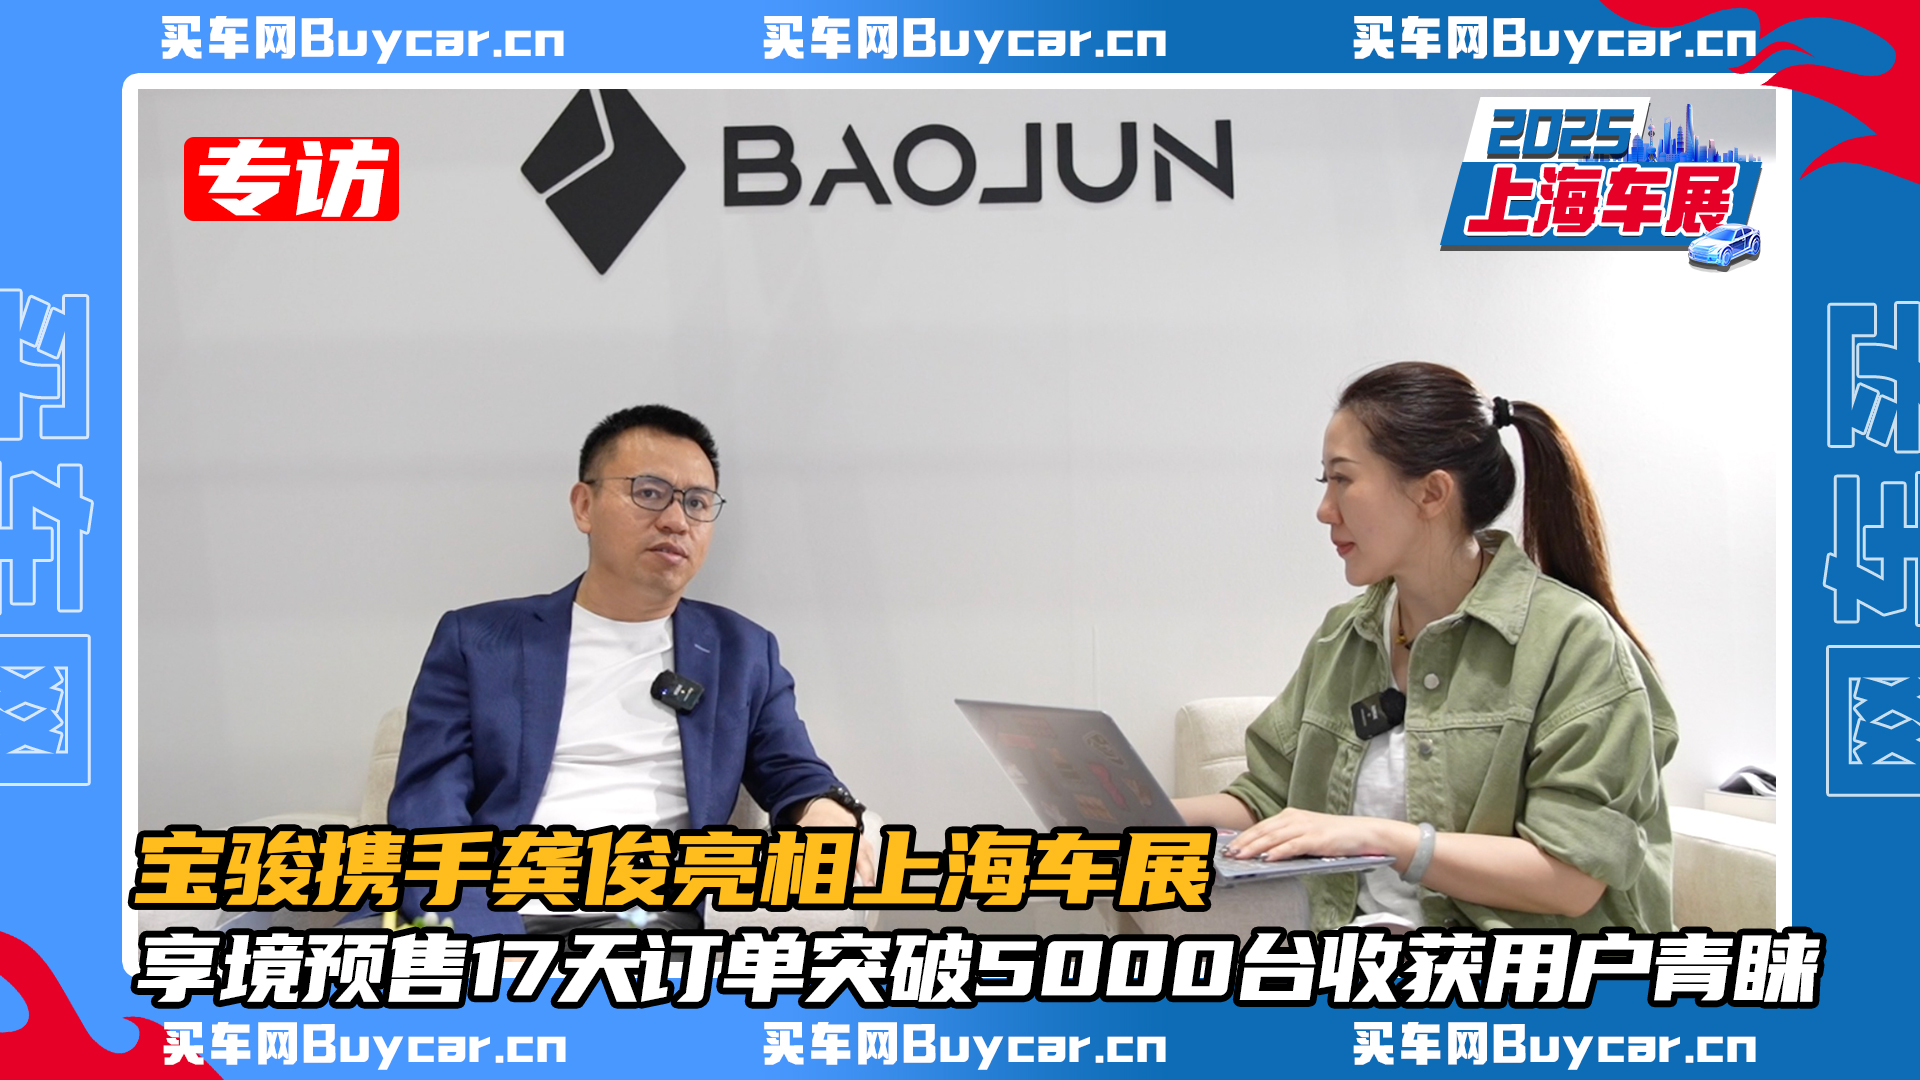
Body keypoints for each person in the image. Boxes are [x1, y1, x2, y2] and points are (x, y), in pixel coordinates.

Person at [1174, 362, 1677, 932]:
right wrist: (1136, 817)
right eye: (1324, 482)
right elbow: (1269, 797)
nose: (1324, 509)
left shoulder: (1574, 642)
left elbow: (1570, 878)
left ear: (1432, 493)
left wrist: (1380, 839)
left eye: (1343, 480)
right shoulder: (1345, 636)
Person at [388, 405, 868, 935]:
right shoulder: (480, 640)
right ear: (584, 505)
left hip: (643, 922)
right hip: (491, 915)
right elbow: (427, 811)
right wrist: (477, 937)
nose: (676, 520)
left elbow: (795, 771)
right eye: (649, 492)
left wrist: (825, 809)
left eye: (696, 502)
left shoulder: (742, 651)